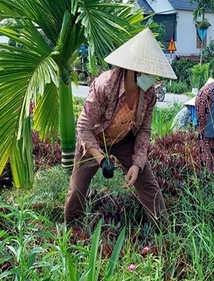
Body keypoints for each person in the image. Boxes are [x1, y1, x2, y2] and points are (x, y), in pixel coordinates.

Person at [64, 28, 177, 224]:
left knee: (148, 184)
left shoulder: (148, 93)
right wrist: (101, 159)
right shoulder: (105, 85)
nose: (152, 78)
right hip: (95, 139)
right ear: (135, 69)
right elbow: (83, 127)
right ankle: (72, 230)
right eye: (149, 72)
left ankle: (163, 230)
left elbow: (144, 130)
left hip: (125, 138)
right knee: (77, 188)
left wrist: (136, 163)